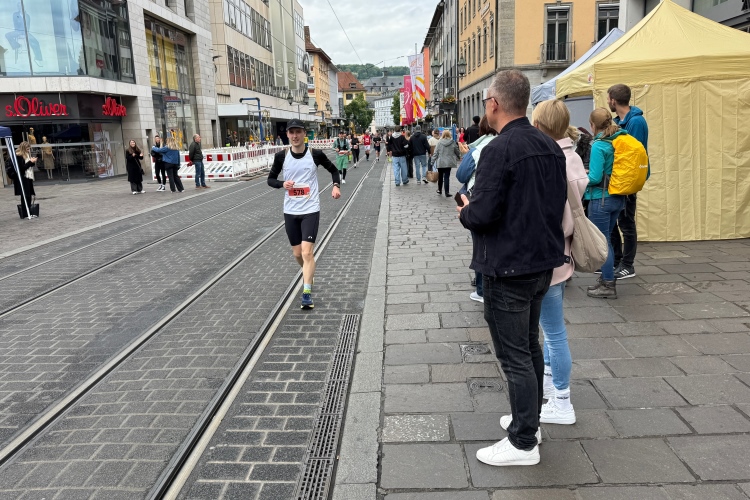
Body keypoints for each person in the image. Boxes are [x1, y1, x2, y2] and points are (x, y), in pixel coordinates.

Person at [457, 70, 567, 467]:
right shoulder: (549, 144)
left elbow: (483, 214)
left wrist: (466, 210)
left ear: (494, 104)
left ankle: (523, 443)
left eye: (487, 99)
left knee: (514, 354)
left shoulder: (499, 149)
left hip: (507, 267)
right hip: (542, 264)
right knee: (530, 347)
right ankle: (529, 422)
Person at [531, 99, 589, 425]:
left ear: (539, 126)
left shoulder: (552, 160)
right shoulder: (573, 156)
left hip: (549, 253)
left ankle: (563, 402)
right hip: (564, 253)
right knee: (551, 328)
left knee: (553, 332)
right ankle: (552, 384)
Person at [267, 119, 341, 309]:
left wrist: (335, 186)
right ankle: (309, 271)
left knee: (307, 252)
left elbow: (334, 170)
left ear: (304, 134)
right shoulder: (281, 156)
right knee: (298, 253)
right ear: (287, 135)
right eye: (291, 132)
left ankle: (306, 292)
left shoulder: (315, 154)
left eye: (298, 132)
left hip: (310, 209)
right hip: (290, 211)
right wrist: (282, 184)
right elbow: (270, 179)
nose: (295, 136)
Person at [585, 108, 628, 298]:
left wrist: (581, 177)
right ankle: (605, 279)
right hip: (618, 197)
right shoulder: (617, 139)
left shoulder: (599, 145)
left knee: (602, 243)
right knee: (607, 240)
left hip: (601, 198)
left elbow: (595, 177)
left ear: (592, 125)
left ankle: (608, 285)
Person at [607, 84, 649, 280]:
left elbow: (632, 153)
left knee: (626, 222)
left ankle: (627, 265)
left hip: (628, 180)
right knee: (613, 221)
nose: (608, 102)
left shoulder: (636, 122)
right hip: (618, 178)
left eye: (609, 99)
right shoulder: (619, 121)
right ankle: (616, 260)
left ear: (614, 100)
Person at [456, 115, 496, 303]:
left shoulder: (478, 149)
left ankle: (481, 290)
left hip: (479, 199)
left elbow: (461, 175)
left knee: (481, 244)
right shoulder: (510, 142)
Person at [431, 129, 460, 197]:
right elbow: (457, 151)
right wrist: (459, 156)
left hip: (440, 162)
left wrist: (432, 161)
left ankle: (439, 190)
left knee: (440, 176)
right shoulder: (452, 142)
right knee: (446, 177)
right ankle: (447, 192)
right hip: (448, 162)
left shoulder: (439, 142)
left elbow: (435, 153)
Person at [14, 141, 37, 217]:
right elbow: (22, 168)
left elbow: (28, 166)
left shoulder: (26, 155)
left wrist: (32, 161)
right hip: (23, 177)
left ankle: (28, 211)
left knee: (29, 195)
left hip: (28, 177)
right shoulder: (19, 156)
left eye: (29, 149)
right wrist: (30, 162)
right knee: (25, 195)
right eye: (27, 149)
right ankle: (25, 212)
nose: (28, 151)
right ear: (23, 149)